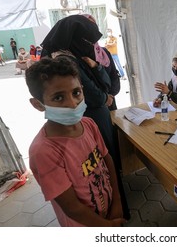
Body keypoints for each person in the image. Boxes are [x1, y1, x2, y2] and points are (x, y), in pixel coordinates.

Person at [41, 15, 130, 219]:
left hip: (96, 116)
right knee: (93, 167)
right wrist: (103, 93)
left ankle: (115, 208)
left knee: (104, 162)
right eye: (87, 40)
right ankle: (111, 214)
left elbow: (109, 82)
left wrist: (96, 68)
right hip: (92, 115)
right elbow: (96, 96)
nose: (91, 45)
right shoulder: (66, 60)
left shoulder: (88, 54)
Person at [25, 57, 125, 227]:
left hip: (109, 211)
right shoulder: (43, 151)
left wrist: (117, 203)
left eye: (76, 92)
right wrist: (107, 227)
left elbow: (107, 161)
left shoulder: (88, 124)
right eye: (58, 98)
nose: (72, 103)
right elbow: (72, 208)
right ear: (38, 104)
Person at [82, 14, 121, 111]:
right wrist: (103, 98)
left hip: (110, 102)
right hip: (93, 107)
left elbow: (114, 75)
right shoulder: (79, 54)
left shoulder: (104, 52)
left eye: (94, 26)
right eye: (88, 26)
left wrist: (109, 96)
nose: (92, 30)